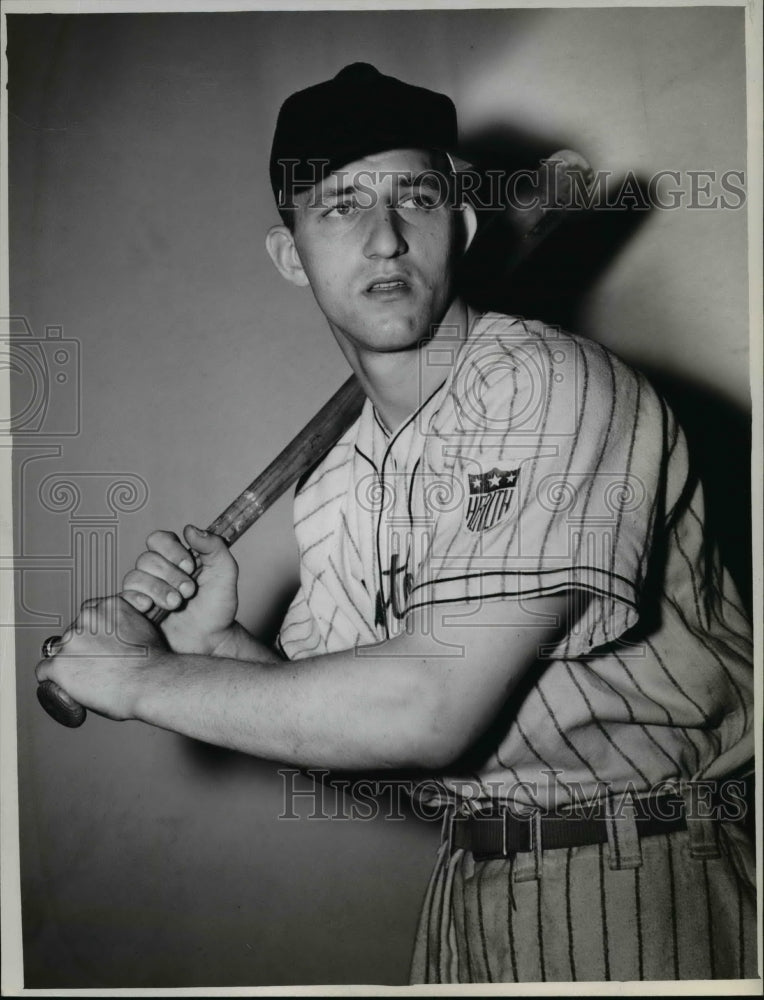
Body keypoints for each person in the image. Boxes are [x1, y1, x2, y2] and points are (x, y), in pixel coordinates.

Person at [36, 63, 756, 983]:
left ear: (459, 223)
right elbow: (368, 734)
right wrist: (217, 648)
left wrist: (142, 681)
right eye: (338, 206)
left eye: (414, 196)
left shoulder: (550, 388)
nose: (383, 240)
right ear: (290, 253)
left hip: (646, 875)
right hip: (468, 887)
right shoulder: (337, 480)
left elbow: (427, 708)